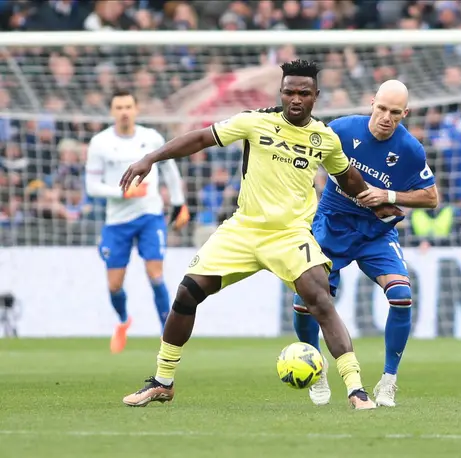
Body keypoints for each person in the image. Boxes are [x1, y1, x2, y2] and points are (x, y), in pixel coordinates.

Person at [119, 60, 404, 410]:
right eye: (289, 92)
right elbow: (198, 139)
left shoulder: (324, 138)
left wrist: (376, 203)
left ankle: (356, 389)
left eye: (303, 93)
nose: (295, 99)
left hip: (289, 235)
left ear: (316, 96)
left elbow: (348, 178)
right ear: (280, 93)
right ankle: (162, 381)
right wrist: (151, 158)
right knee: (186, 294)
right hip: (244, 228)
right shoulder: (254, 121)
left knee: (321, 301)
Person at [292, 80, 438, 407]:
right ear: (372, 102)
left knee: (401, 295)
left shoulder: (410, 150)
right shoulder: (343, 129)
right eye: (382, 108)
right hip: (332, 225)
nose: (386, 117)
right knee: (304, 302)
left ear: (405, 114)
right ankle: (316, 367)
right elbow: (303, 154)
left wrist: (389, 195)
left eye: (395, 113)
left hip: (376, 233)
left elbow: (431, 197)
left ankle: (389, 380)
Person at [85, 90, 189, 354]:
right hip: (117, 221)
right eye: (119, 107)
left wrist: (178, 203)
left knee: (155, 275)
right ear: (112, 111)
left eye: (128, 106)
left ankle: (167, 334)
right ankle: (123, 321)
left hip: (149, 216)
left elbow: (169, 169)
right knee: (114, 284)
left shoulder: (150, 138)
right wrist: (122, 191)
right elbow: (92, 186)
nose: (124, 111)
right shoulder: (100, 143)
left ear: (136, 109)